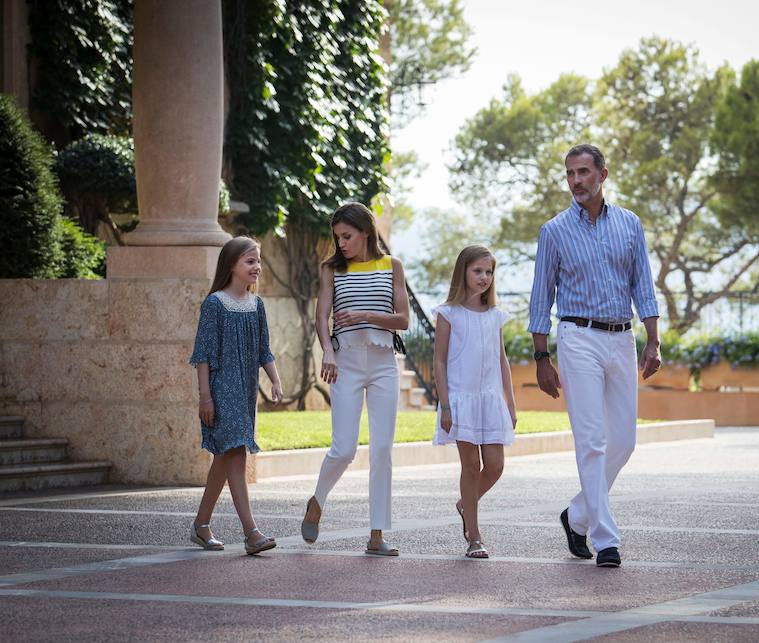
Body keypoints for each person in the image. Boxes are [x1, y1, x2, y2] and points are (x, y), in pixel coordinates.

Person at [528, 144, 661, 568]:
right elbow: (539, 298)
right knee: (592, 440)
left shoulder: (630, 224)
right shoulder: (554, 231)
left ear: (603, 174)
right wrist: (540, 357)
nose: (576, 181)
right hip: (576, 337)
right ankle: (606, 539)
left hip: (622, 338)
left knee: (624, 440)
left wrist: (653, 339)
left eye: (584, 172)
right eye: (570, 174)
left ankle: (578, 515)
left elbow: (643, 284)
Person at [302, 202, 410, 556]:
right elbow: (322, 318)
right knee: (344, 448)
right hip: (345, 361)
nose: (342, 243)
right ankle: (317, 500)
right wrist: (328, 353)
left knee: (382, 449)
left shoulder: (391, 266)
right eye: (338, 237)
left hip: (383, 363)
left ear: (366, 231)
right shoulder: (332, 269)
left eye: (347, 236)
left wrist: (365, 314)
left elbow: (403, 320)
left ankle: (377, 535)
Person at [189, 236, 283, 555]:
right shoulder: (214, 304)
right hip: (219, 390)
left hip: (244, 393)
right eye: (250, 261)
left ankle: (201, 526)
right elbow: (202, 354)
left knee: (225, 457)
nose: (256, 267)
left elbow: (263, 350)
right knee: (237, 453)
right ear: (232, 265)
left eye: (258, 261)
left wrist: (275, 381)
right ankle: (251, 532)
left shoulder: (257, 305)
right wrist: (205, 397)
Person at [432, 245, 517, 559]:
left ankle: (465, 504)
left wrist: (511, 403)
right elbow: (439, 362)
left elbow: (502, 361)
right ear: (463, 273)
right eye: (477, 271)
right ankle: (474, 536)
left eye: (489, 271)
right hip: (460, 400)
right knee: (470, 466)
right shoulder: (448, 314)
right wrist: (446, 404)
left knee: (494, 466)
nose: (484, 277)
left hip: (490, 400)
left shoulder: (495, 316)